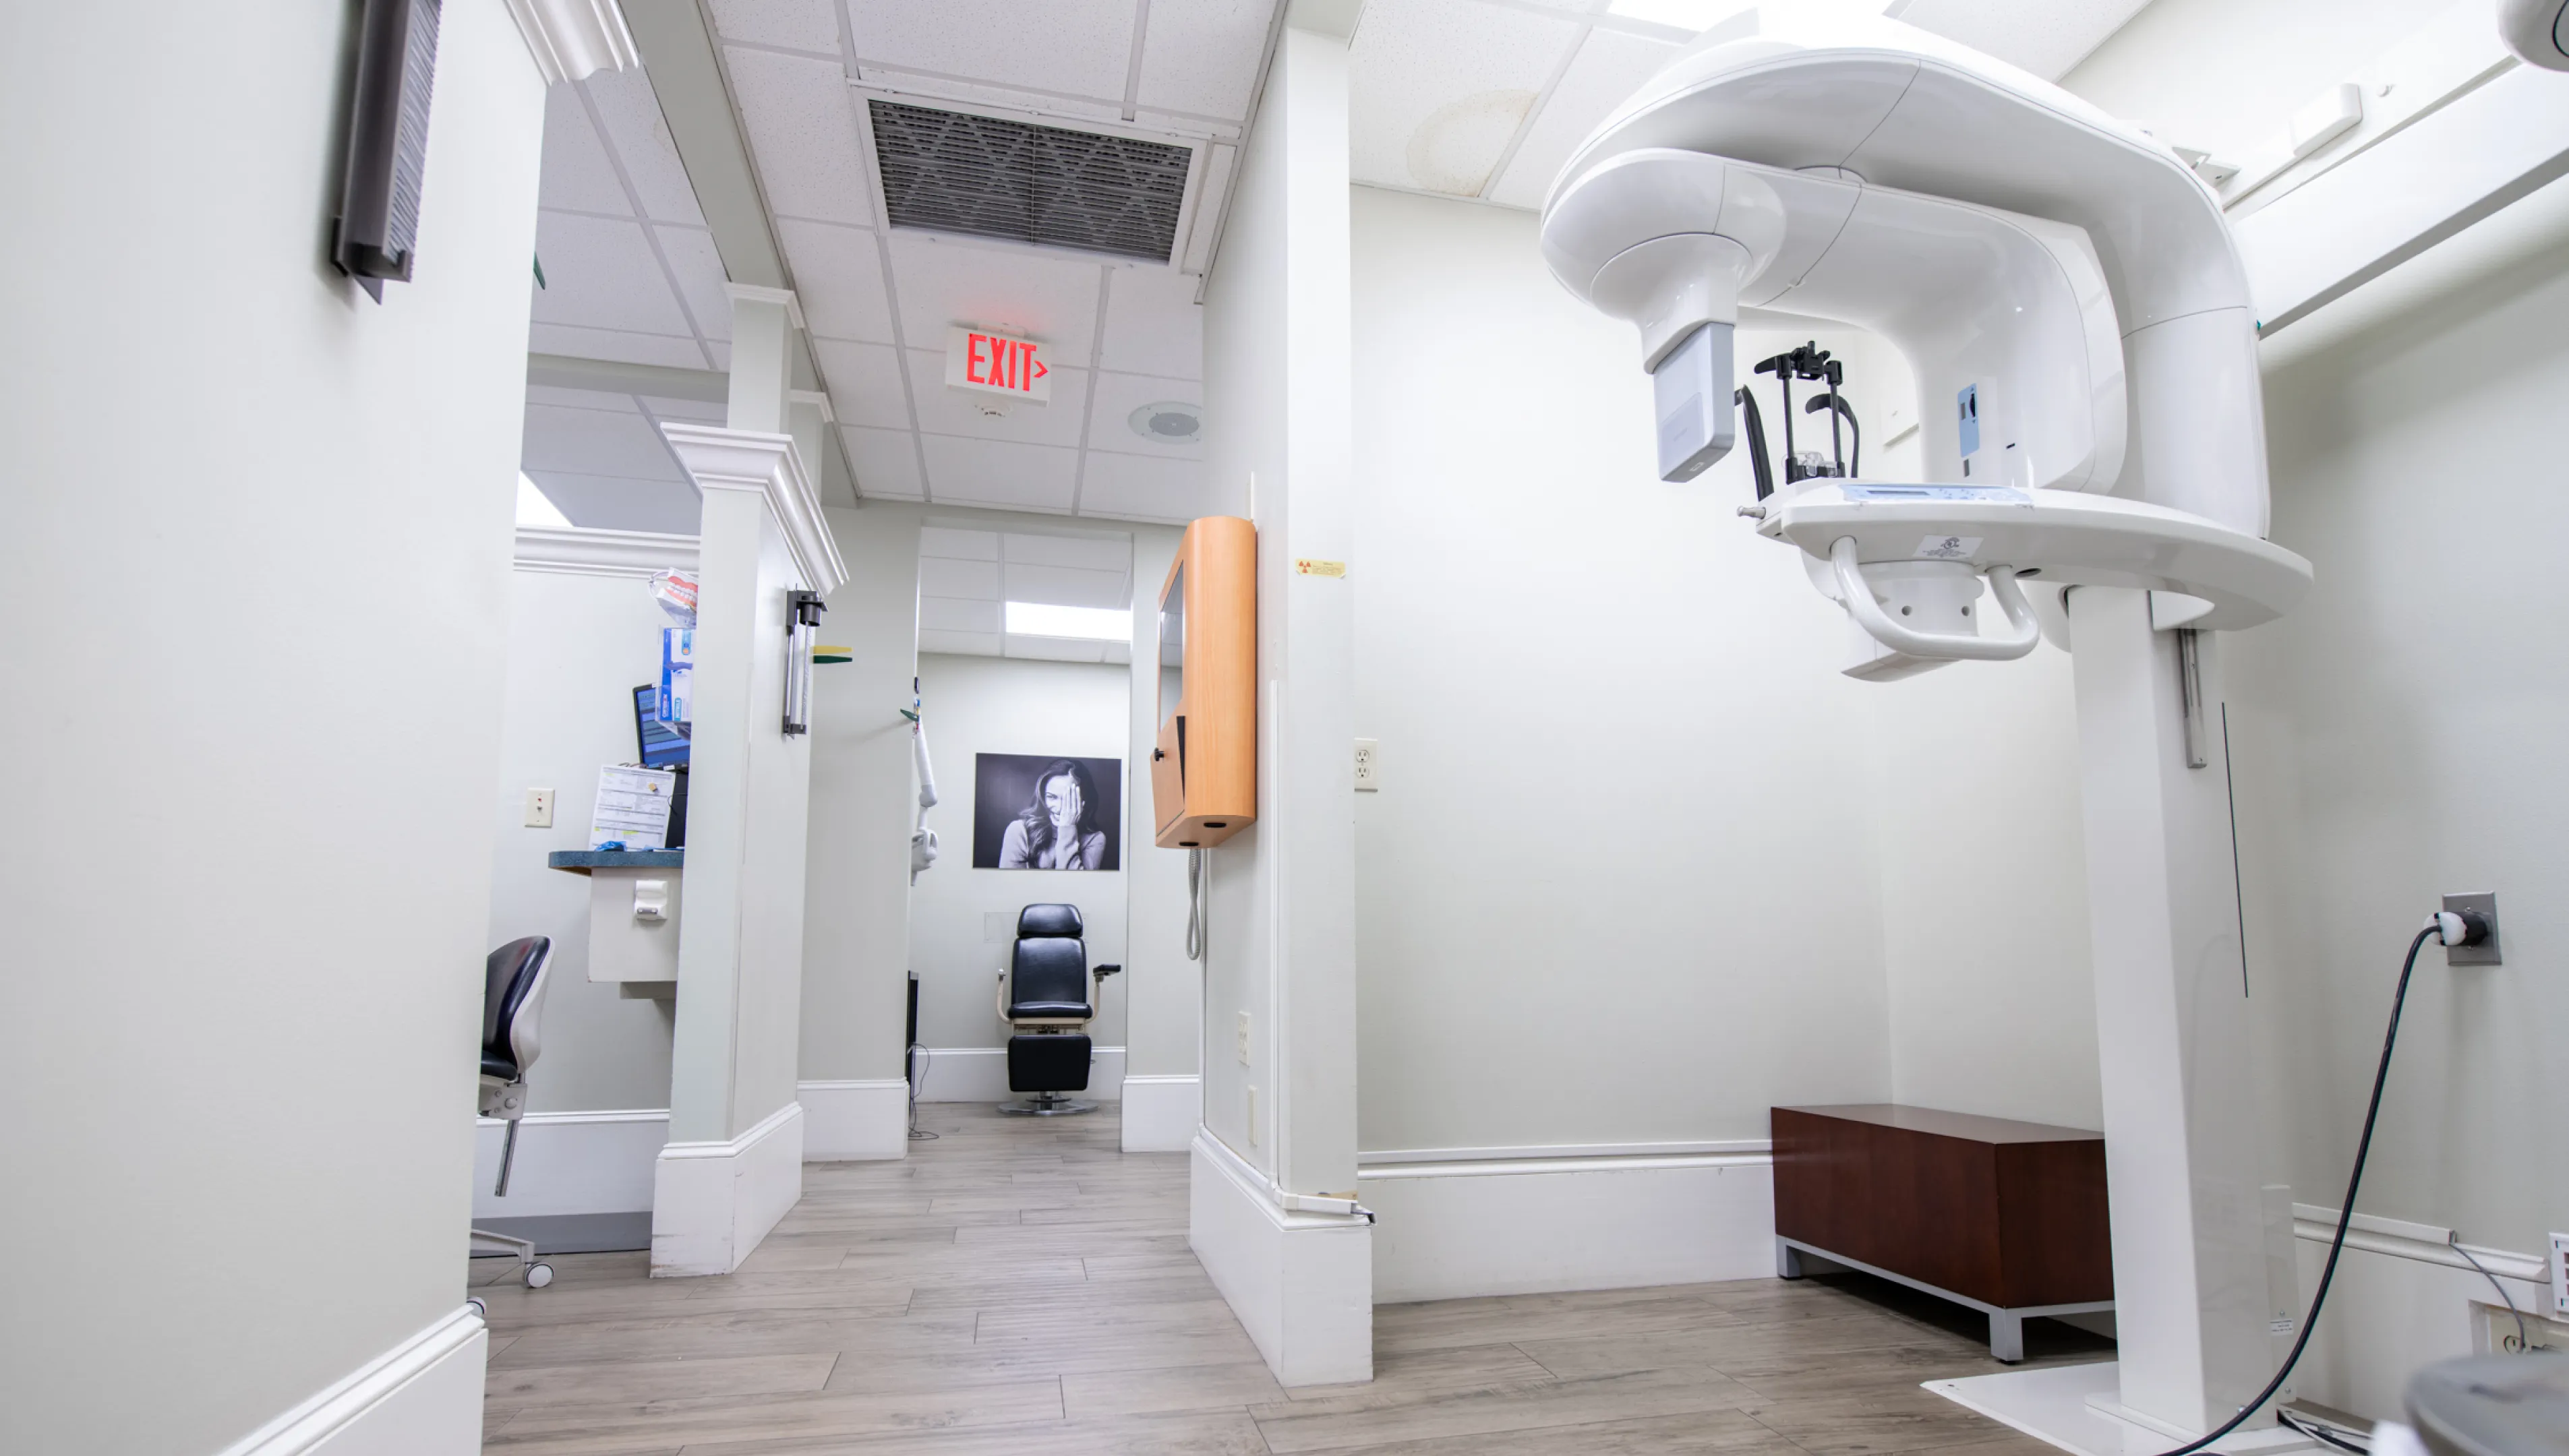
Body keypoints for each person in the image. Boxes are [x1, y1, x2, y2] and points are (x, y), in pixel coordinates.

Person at [999, 759, 1108, 870]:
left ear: (1084, 800)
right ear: (1043, 797)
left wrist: (1068, 828)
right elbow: (1010, 883)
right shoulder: (1019, 831)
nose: (1060, 808)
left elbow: (1076, 884)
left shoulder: (1095, 839)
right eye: (1052, 797)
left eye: (1068, 799)